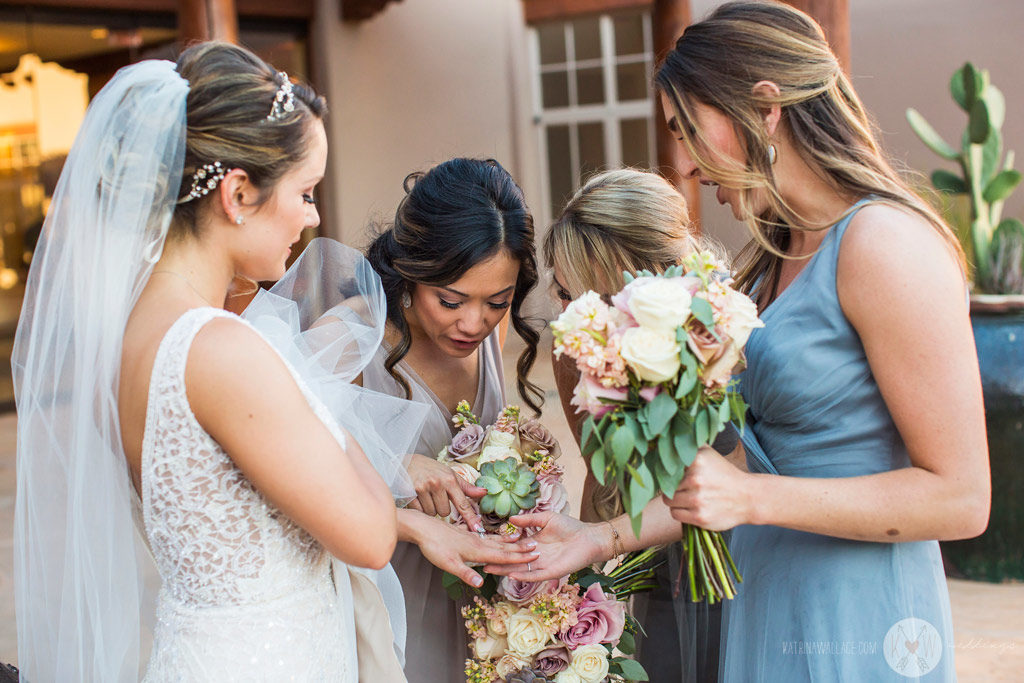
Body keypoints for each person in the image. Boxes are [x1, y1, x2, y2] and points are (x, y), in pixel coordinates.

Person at [493, 2, 990, 680]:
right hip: (763, 602)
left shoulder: (884, 244)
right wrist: (594, 538)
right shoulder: (767, 267)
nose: (686, 167)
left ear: (765, 108)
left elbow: (961, 497)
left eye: (689, 130)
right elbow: (745, 471)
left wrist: (753, 499)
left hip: (856, 617)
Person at [13, 42, 406, 681]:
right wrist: (311, 388)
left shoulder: (127, 334)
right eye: (305, 192)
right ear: (237, 194)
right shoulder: (219, 348)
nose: (310, 219)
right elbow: (369, 535)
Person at [542, 167, 735, 682]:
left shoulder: (726, 336)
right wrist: (579, 592)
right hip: (654, 569)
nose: (572, 314)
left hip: (749, 560)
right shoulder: (575, 351)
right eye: (563, 293)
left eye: (589, 296)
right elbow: (599, 469)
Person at [362, 157, 543, 683]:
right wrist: (394, 463)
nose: (473, 323)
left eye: (498, 301)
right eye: (450, 300)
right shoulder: (351, 339)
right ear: (411, 271)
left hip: (478, 601)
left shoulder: (489, 334)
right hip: (387, 597)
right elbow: (287, 469)